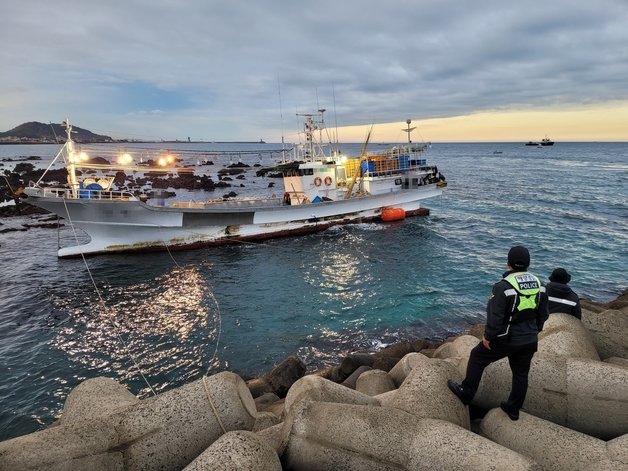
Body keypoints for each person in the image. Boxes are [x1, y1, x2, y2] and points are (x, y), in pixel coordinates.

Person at [447, 245, 549, 421]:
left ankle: (467, 392)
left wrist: (488, 337)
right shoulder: (541, 286)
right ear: (528, 264)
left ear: (508, 263)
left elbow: (495, 316)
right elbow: (543, 314)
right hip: (529, 339)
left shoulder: (503, 287)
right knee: (521, 374)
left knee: (477, 356)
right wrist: (535, 331)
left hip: (506, 339)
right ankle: (513, 408)